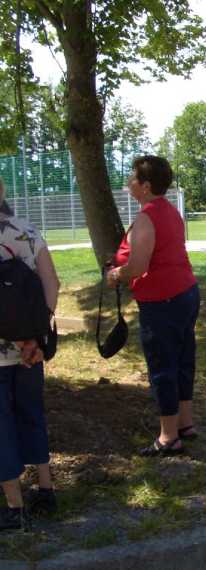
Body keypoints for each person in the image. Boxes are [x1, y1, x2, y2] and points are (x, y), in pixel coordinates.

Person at [107, 156, 200, 457]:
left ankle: (168, 436)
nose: (129, 182)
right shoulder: (170, 211)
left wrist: (116, 274)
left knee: (163, 366)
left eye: (133, 178)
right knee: (183, 359)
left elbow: (138, 265)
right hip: (185, 293)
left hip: (163, 301)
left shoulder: (148, 216)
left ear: (145, 186)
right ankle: (185, 423)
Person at [0, 179, 60, 531]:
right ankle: (46, 488)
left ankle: (14, 506)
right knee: (32, 413)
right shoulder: (27, 230)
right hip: (30, 351)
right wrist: (36, 335)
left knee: (1, 425)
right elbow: (52, 283)